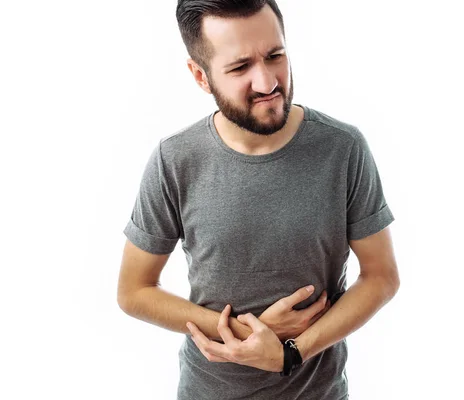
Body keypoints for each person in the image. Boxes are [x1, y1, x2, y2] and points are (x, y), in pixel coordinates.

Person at [117, 0, 400, 399]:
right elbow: (134, 291)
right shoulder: (174, 160)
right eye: (239, 67)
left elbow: (381, 277)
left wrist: (289, 353)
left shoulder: (343, 149)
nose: (267, 83)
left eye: (275, 56)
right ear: (200, 75)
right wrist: (245, 332)